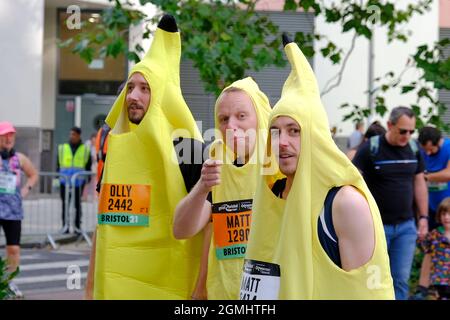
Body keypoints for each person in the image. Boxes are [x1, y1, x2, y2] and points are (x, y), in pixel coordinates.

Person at [241, 35, 394, 299]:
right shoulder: (273, 197)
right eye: (275, 132)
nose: (282, 142)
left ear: (317, 137)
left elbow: (366, 293)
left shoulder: (344, 203)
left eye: (294, 131)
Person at [85, 14, 205, 300]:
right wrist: (90, 289)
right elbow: (102, 226)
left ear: (162, 95)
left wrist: (200, 291)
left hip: (170, 288)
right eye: (130, 87)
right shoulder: (116, 147)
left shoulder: (189, 149)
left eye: (145, 88)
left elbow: (208, 225)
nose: (132, 97)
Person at [173, 77, 274, 299]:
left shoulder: (278, 163)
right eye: (223, 119)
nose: (231, 126)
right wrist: (202, 187)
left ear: (260, 118)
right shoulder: (216, 159)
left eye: (241, 116)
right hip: (223, 293)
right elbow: (183, 230)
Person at [352, 106, 429, 300]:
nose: (407, 136)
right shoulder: (371, 149)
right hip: (376, 228)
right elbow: (351, 182)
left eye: (412, 131)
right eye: (403, 131)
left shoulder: (414, 149)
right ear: (389, 125)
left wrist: (424, 217)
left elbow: (419, 182)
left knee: (401, 279)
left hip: (406, 227)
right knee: (374, 279)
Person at [410, 126, 450, 299]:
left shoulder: (448, 147)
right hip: (431, 208)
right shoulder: (420, 150)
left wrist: (425, 177)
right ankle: (424, 288)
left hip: (447, 209)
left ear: (438, 142)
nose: (428, 152)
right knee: (429, 249)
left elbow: (448, 173)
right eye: (425, 149)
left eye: (430, 149)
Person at [0, 121, 38, 298]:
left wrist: (26, 190)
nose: (9, 138)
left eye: (11, 135)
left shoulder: (19, 158)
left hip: (13, 210)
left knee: (13, 249)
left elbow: (33, 174)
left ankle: (9, 282)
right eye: (5, 135)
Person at [57, 126, 92, 234]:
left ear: (78, 135)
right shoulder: (63, 148)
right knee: (65, 204)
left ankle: (77, 227)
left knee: (77, 205)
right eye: (70, 134)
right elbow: (58, 164)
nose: (71, 136)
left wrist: (87, 179)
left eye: (73, 134)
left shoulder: (85, 149)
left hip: (78, 182)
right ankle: (65, 227)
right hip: (65, 181)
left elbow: (88, 166)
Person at [416, 197, 450, 300]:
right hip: (438, 280)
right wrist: (421, 235)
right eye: (443, 214)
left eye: (449, 214)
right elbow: (422, 246)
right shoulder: (434, 234)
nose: (446, 217)